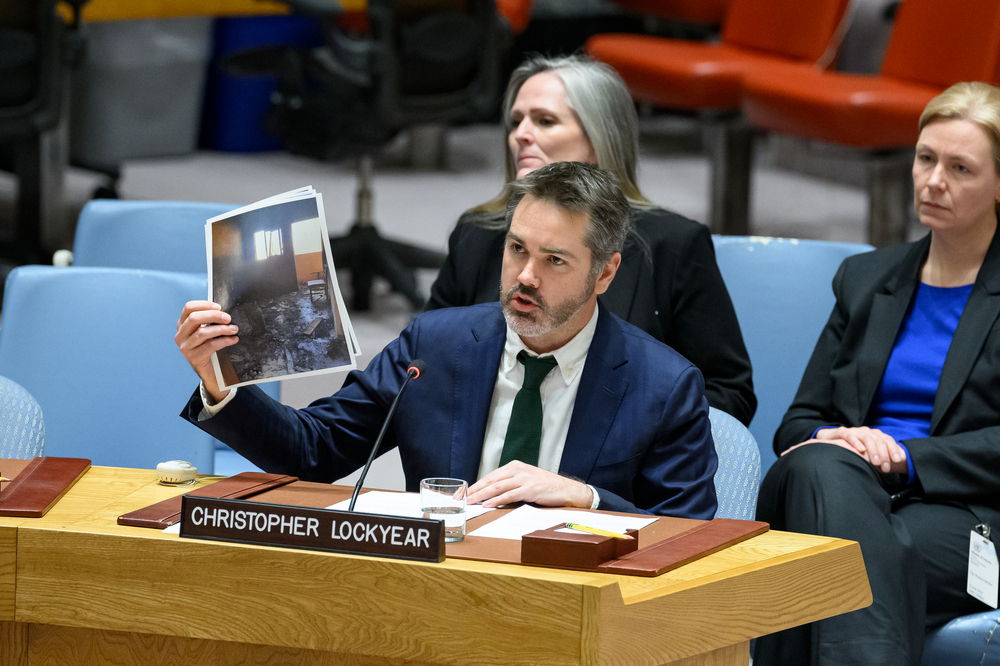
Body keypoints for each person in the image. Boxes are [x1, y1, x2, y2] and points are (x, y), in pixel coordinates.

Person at [176, 161, 718, 518]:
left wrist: (590, 499)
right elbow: (314, 452)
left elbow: (691, 536)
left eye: (554, 260)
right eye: (516, 249)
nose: (526, 276)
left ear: (605, 274)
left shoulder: (663, 385)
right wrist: (221, 385)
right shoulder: (433, 346)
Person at [754, 81, 1000, 665]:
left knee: (822, 560)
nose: (934, 180)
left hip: (970, 520)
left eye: (960, 168)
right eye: (925, 158)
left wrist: (906, 456)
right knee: (820, 461)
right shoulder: (866, 279)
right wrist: (837, 441)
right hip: (833, 483)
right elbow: (798, 424)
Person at [425, 54, 756, 426]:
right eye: (516, 121)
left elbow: (730, 391)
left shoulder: (673, 244)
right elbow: (425, 360)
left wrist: (637, 435)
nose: (521, 134)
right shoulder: (478, 233)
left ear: (600, 138)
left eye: (545, 121)